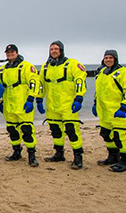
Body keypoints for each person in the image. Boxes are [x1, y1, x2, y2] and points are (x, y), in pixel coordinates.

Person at [36, 40, 87, 169]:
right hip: (52, 105)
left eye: (56, 49)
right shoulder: (45, 67)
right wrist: (39, 100)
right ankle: (59, 153)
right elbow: (41, 84)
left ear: (61, 50)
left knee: (71, 130)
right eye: (51, 49)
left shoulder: (72, 64)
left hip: (68, 105)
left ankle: (78, 156)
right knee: (55, 130)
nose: (54, 51)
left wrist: (79, 98)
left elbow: (80, 80)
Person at [93, 50, 126, 172]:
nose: (108, 60)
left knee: (120, 136)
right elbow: (99, 90)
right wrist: (95, 103)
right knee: (106, 134)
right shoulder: (102, 72)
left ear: (115, 59)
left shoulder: (124, 73)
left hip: (119, 111)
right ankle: (113, 156)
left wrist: (124, 107)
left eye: (110, 58)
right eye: (106, 58)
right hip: (105, 112)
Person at [0, 44, 40, 167]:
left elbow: (34, 81)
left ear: (16, 52)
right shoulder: (2, 69)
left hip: (23, 104)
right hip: (9, 105)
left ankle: (32, 155)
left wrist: (31, 98)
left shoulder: (26, 66)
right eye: (8, 52)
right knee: (12, 130)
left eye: (12, 52)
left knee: (27, 130)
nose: (10, 54)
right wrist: (0, 102)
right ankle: (16, 151)